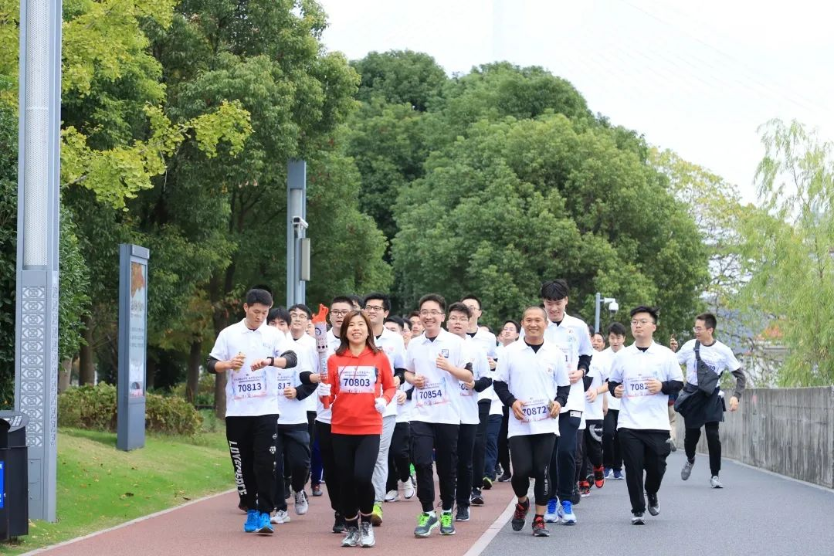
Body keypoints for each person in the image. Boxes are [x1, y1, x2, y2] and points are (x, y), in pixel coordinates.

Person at [207, 288, 298, 535]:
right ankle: (251, 510)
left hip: (266, 410)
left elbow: (291, 358)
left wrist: (270, 361)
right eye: (256, 311)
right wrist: (227, 364)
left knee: (266, 463)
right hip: (237, 412)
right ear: (246, 308)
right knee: (243, 464)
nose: (260, 317)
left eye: (264, 313)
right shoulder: (229, 334)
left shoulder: (274, 335)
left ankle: (266, 513)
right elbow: (210, 363)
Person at [318, 310, 397, 548]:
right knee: (345, 481)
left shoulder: (379, 357)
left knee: (362, 477)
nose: (356, 329)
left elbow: (390, 386)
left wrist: (384, 400)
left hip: (369, 427)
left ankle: (366, 525)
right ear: (345, 331)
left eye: (361, 324)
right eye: (351, 325)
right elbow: (329, 399)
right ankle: (351, 527)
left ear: (368, 330)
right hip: (341, 428)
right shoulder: (334, 359)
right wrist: (323, 393)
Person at [493, 307, 570, 537]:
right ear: (522, 323)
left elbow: (564, 386)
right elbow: (499, 383)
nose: (533, 324)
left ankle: (539, 519)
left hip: (546, 423)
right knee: (521, 471)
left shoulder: (555, 352)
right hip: (520, 423)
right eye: (529, 320)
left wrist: (559, 402)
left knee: (542, 470)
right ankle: (522, 502)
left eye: (538, 320)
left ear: (545, 323)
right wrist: (512, 402)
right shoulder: (510, 352)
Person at [404, 294, 472, 537]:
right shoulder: (414, 344)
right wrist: (413, 379)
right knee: (422, 462)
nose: (428, 316)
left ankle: (446, 512)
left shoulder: (455, 343)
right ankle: (427, 512)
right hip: (421, 413)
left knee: (446, 467)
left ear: (442, 316)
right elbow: (407, 372)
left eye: (433, 312)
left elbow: (469, 376)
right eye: (424, 312)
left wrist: (449, 368)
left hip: (447, 414)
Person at [608, 306, 683, 524]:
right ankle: (638, 509)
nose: (638, 326)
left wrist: (662, 386)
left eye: (642, 322)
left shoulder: (665, 355)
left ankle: (651, 491)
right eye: (634, 322)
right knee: (632, 468)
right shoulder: (622, 356)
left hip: (657, 423)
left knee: (657, 466)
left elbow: (678, 383)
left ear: (653, 327)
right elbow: (612, 382)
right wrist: (615, 390)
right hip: (629, 423)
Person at [538, 280, 593, 525]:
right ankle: (550, 501)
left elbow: (587, 355)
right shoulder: (538, 326)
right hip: (546, 399)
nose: (553, 308)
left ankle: (567, 500)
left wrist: (581, 372)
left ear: (566, 301)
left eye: (557, 303)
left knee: (567, 451)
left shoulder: (578, 327)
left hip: (573, 398)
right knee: (549, 453)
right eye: (549, 303)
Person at [299, 295, 355, 534]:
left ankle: (354, 509)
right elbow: (305, 374)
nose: (340, 315)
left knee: (352, 468)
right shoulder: (319, 341)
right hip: (326, 416)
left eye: (344, 311)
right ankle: (339, 511)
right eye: (336, 312)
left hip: (355, 416)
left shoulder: (361, 341)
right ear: (330, 315)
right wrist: (319, 378)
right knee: (331, 469)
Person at [672, 313, 746, 489]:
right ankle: (690, 458)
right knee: (691, 437)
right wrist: (672, 352)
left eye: (699, 328)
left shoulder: (723, 350)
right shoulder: (690, 346)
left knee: (713, 435)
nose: (696, 331)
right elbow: (671, 364)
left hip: (712, 396)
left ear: (710, 330)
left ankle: (715, 475)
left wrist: (736, 396)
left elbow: (740, 376)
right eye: (695, 328)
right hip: (692, 395)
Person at [362, 293, 408, 527]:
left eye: (377, 308)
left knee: (380, 455)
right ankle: (359, 500)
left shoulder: (395, 340)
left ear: (386, 312)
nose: (372, 311)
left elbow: (401, 369)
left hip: (385, 407)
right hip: (358, 407)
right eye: (368, 307)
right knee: (360, 458)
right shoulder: (356, 333)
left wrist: (398, 379)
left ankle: (375, 503)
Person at [271, 304, 318, 524]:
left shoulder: (298, 350)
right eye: (273, 323)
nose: (277, 327)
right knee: (274, 466)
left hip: (296, 418)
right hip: (269, 418)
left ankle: (299, 489)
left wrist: (297, 392)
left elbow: (311, 380)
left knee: (300, 463)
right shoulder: (261, 349)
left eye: (282, 323)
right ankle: (280, 508)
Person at [447, 302, 492, 521]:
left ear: (469, 322)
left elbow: (487, 379)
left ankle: (463, 503)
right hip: (442, 413)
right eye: (454, 318)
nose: (458, 323)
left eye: (462, 319)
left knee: (465, 461)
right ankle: (447, 501)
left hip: (467, 413)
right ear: (447, 321)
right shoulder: (438, 345)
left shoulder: (476, 349)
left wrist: (474, 384)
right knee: (447, 461)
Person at [287, 304, 322, 498]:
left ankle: (299, 485)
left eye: (302, 316)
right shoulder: (280, 342)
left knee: (304, 449)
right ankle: (285, 483)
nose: (297, 318)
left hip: (308, 404)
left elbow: (320, 374)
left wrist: (300, 391)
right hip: (282, 404)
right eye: (293, 315)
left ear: (308, 321)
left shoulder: (314, 345)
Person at [496, 320, 520, 483]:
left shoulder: (520, 351)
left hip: (516, 401)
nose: (507, 331)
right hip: (498, 402)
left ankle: (520, 470)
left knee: (516, 439)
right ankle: (506, 470)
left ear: (518, 334)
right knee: (500, 439)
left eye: (511, 329)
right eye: (505, 328)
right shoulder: (496, 351)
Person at [602, 323, 627, 480]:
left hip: (625, 403)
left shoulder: (630, 355)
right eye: (612, 338)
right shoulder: (603, 356)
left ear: (624, 338)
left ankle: (617, 468)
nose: (615, 341)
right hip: (608, 402)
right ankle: (607, 465)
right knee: (608, 433)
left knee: (620, 436)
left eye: (618, 338)